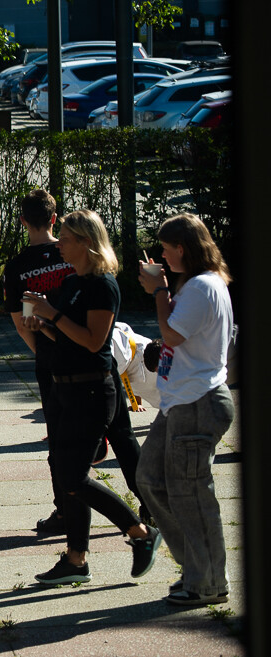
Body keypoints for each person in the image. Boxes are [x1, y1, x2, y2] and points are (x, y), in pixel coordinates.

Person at [22, 209, 160, 585]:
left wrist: (53, 314)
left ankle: (140, 533)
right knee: (68, 475)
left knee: (73, 475)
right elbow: (67, 336)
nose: (60, 244)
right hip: (65, 387)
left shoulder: (103, 284)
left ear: (86, 242)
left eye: (65, 238)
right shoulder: (72, 282)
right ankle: (76, 560)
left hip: (92, 389)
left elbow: (93, 341)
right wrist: (44, 325)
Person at [136, 213, 235, 606]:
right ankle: (195, 569)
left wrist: (159, 291)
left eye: (165, 247)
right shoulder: (200, 284)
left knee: (192, 496)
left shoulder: (201, 286)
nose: (161, 254)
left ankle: (208, 582)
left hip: (198, 401)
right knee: (151, 479)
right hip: (182, 400)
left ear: (182, 249)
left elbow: (173, 332)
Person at [2, 189, 76, 534]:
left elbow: (21, 322)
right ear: (54, 217)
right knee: (116, 432)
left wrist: (43, 350)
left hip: (50, 356)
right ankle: (146, 506)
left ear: (22, 221)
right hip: (88, 347)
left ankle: (64, 510)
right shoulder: (71, 251)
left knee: (58, 436)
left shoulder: (17, 267)